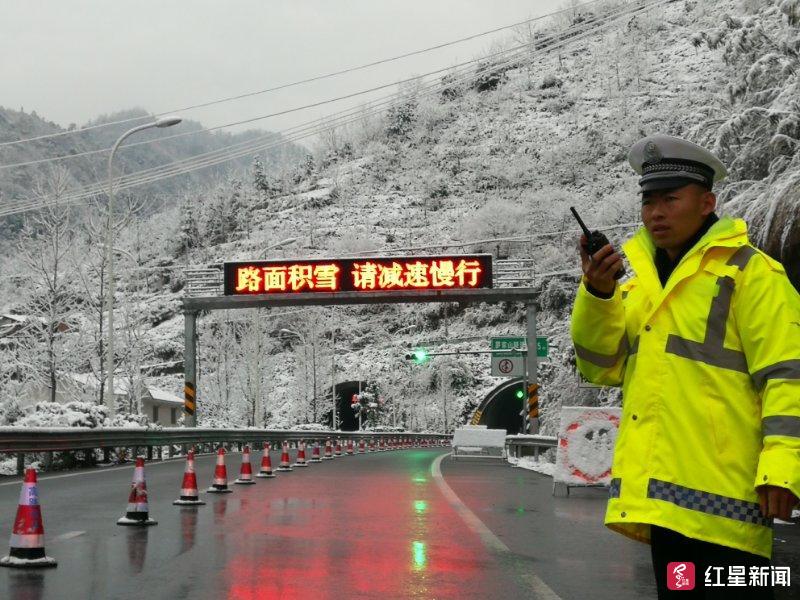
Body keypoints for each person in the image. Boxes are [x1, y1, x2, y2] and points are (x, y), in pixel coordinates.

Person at [570, 134, 800, 599]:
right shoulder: (643, 288)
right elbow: (600, 366)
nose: (655, 213)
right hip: (666, 510)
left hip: (728, 509)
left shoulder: (753, 275)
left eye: (670, 199)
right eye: (649, 200)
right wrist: (598, 294)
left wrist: (783, 466)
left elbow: (787, 375)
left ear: (707, 203)